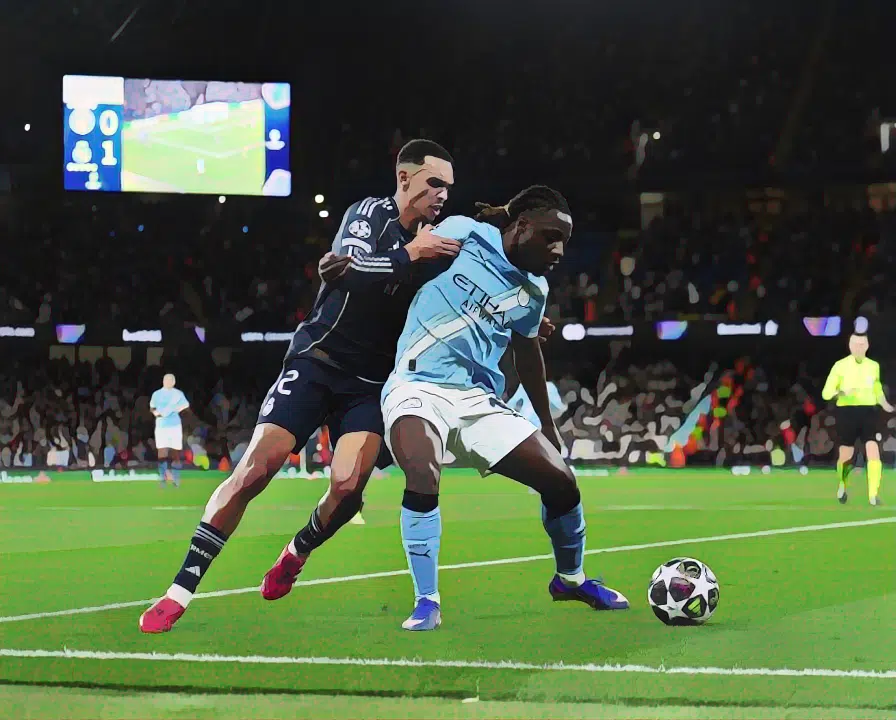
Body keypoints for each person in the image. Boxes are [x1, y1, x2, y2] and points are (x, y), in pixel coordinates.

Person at [139, 139, 459, 633]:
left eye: (448, 187)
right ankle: (179, 590)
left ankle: (296, 552)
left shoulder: (440, 247)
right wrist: (408, 254)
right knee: (254, 469)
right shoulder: (370, 214)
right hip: (318, 361)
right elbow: (343, 271)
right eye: (434, 182)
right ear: (404, 179)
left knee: (349, 486)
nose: (442, 194)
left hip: (371, 384)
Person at [380, 186, 630, 631]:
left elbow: (527, 354)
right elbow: (406, 273)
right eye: (549, 236)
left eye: (564, 243)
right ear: (520, 226)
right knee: (422, 470)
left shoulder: (534, 290)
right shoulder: (466, 235)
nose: (557, 250)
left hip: (476, 400)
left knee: (562, 483)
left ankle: (570, 579)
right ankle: (426, 601)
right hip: (417, 383)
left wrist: (548, 428)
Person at [821, 332, 893, 506]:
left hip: (869, 412)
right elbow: (826, 393)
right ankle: (842, 485)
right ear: (850, 345)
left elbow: (877, 388)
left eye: (862, 344)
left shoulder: (873, 366)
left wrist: (884, 403)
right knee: (846, 454)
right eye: (855, 344)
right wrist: (841, 392)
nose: (859, 347)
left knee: (873, 449)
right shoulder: (840, 366)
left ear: (867, 346)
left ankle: (873, 495)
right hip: (847, 412)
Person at [149, 374, 190, 487]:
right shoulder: (157, 394)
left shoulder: (178, 394)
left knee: (175, 452)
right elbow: (152, 407)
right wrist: (157, 413)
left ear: (174, 382)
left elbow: (186, 405)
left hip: (175, 425)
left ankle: (176, 477)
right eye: (166, 380)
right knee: (162, 451)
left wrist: (177, 409)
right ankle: (162, 477)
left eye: (171, 380)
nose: (168, 381)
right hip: (162, 426)